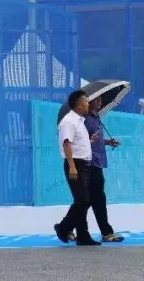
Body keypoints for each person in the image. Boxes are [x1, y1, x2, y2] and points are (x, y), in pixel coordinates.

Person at [53, 89, 100, 247]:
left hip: (85, 164)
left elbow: (77, 143)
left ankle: (82, 235)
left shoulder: (80, 121)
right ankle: (63, 227)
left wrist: (90, 141)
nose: (88, 104)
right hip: (76, 164)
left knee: (85, 200)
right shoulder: (68, 121)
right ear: (78, 105)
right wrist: (72, 166)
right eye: (86, 101)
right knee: (82, 200)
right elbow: (66, 143)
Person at [85, 96, 123, 243]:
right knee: (97, 198)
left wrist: (108, 142)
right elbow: (82, 141)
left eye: (100, 99)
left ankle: (66, 227)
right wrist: (91, 140)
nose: (99, 102)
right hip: (91, 163)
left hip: (98, 162)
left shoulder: (96, 119)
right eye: (96, 100)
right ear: (88, 102)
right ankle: (106, 232)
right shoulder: (86, 120)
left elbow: (97, 140)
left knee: (88, 199)